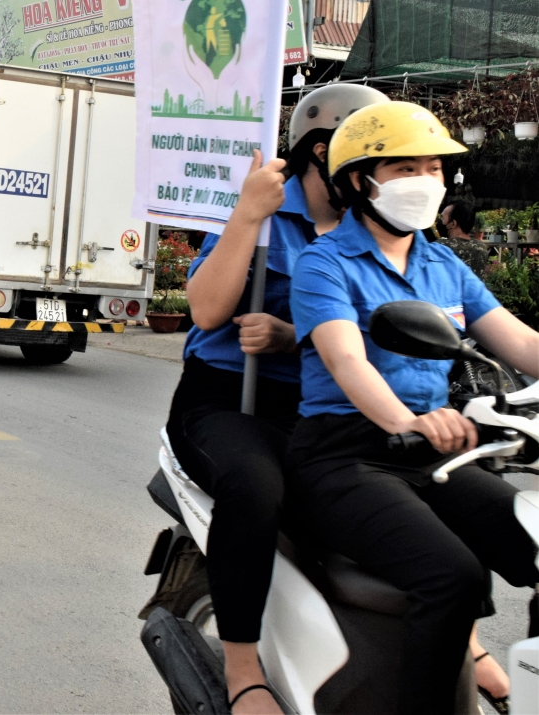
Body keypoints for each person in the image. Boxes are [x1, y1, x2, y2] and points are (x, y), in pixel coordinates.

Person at [288, 101, 539, 715]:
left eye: (434, 167)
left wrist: (429, 431)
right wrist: (409, 419)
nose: (426, 182)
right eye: (405, 169)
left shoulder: (442, 263)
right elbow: (348, 362)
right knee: (451, 576)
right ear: (358, 180)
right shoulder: (324, 263)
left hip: (437, 455)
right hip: (346, 456)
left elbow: (522, 341)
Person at [159, 84, 389, 715]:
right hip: (227, 401)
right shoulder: (262, 200)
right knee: (255, 485)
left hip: (319, 404)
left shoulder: (372, 225)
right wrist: (245, 216)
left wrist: (292, 338)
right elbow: (206, 309)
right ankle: (243, 669)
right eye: (372, 161)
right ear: (322, 151)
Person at [435, 201, 488, 277]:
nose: (440, 222)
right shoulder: (481, 247)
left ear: (453, 224)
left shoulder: (441, 246)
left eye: (443, 218)